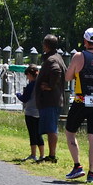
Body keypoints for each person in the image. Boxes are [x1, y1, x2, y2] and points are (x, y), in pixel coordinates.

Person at [63, 28, 93, 183]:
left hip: (81, 100)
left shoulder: (78, 56)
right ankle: (91, 173)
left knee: (70, 131)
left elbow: (67, 77)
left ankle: (77, 166)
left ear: (85, 42)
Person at [36, 34, 66, 163]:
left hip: (51, 100)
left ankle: (52, 155)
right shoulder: (58, 57)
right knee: (50, 128)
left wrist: (50, 86)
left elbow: (56, 71)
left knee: (51, 128)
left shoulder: (52, 60)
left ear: (46, 45)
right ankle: (51, 154)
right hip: (54, 100)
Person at [16, 65, 43, 161]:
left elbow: (24, 98)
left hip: (30, 112)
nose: (27, 78)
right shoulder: (41, 84)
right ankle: (42, 155)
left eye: (27, 75)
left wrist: (18, 94)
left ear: (30, 75)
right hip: (39, 112)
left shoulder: (31, 85)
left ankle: (33, 154)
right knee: (39, 134)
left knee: (32, 133)